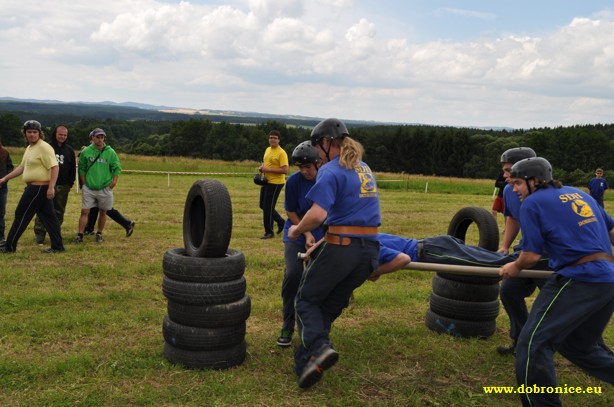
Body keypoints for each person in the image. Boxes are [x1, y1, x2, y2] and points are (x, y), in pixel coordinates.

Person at [500, 157, 614, 407]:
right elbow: (611, 231)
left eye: (518, 183)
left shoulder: (531, 204)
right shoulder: (578, 194)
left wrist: (514, 266)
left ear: (535, 181)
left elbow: (530, 256)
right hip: (608, 280)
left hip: (578, 279)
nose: (514, 188)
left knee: (532, 344)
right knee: (578, 347)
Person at [287, 118, 380, 389]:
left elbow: (317, 215)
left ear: (327, 143)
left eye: (318, 146)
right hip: (369, 251)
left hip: (344, 248)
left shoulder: (330, 170)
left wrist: (296, 230)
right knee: (324, 308)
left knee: (304, 300)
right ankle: (307, 362)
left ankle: (319, 347)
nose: (317, 152)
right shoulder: (363, 167)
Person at [496, 147, 547, 356]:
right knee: (509, 291)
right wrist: (505, 245)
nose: (505, 176)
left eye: (509, 170)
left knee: (558, 304)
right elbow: (513, 218)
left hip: (551, 256)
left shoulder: (546, 195)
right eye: (505, 171)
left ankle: (592, 347)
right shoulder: (511, 190)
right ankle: (521, 340)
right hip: (526, 251)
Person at [277, 141, 325, 347]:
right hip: (296, 233)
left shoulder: (327, 181)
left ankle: (314, 329)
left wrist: (319, 238)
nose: (304, 171)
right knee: (293, 275)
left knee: (316, 280)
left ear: (319, 163)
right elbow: (290, 212)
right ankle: (288, 324)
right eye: (300, 167)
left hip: (322, 235)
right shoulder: (294, 182)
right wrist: (306, 234)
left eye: (308, 167)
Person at [0, 120, 64, 253]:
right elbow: (22, 167)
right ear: (25, 133)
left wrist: (51, 187)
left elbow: (55, 167)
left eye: (35, 132)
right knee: (49, 218)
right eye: (29, 132)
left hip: (38, 188)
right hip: (36, 188)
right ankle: (58, 247)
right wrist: (5, 178)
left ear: (40, 134)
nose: (32, 135)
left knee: (21, 215)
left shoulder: (44, 147)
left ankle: (9, 246)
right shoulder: (30, 148)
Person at [73, 128, 121, 244]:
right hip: (89, 187)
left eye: (102, 137)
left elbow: (116, 167)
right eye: (98, 137)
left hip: (105, 188)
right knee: (84, 211)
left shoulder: (110, 152)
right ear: (92, 138)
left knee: (103, 212)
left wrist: (113, 183)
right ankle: (80, 235)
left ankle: (99, 233)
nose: (100, 139)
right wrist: (84, 184)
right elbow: (82, 168)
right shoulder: (86, 151)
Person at [33, 125, 76, 245]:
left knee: (59, 212)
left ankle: (55, 234)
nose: (62, 137)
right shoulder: (47, 147)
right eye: (60, 134)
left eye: (65, 135)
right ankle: (39, 236)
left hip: (63, 186)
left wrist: (69, 184)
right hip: (46, 184)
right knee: (42, 210)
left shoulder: (69, 150)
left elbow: (72, 168)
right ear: (55, 134)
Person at [258, 130, 288, 239]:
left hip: (276, 183)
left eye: (275, 138)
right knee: (263, 205)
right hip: (266, 181)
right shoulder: (267, 150)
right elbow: (266, 163)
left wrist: (268, 169)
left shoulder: (281, 153)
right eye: (271, 137)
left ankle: (269, 232)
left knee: (268, 207)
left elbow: (285, 170)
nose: (272, 139)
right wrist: (262, 168)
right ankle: (281, 223)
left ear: (279, 140)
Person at [0, 138, 14, 246]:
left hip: (2, 187)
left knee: (1, 213)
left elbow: (10, 167)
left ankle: (1, 236)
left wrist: (5, 178)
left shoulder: (4, 152)